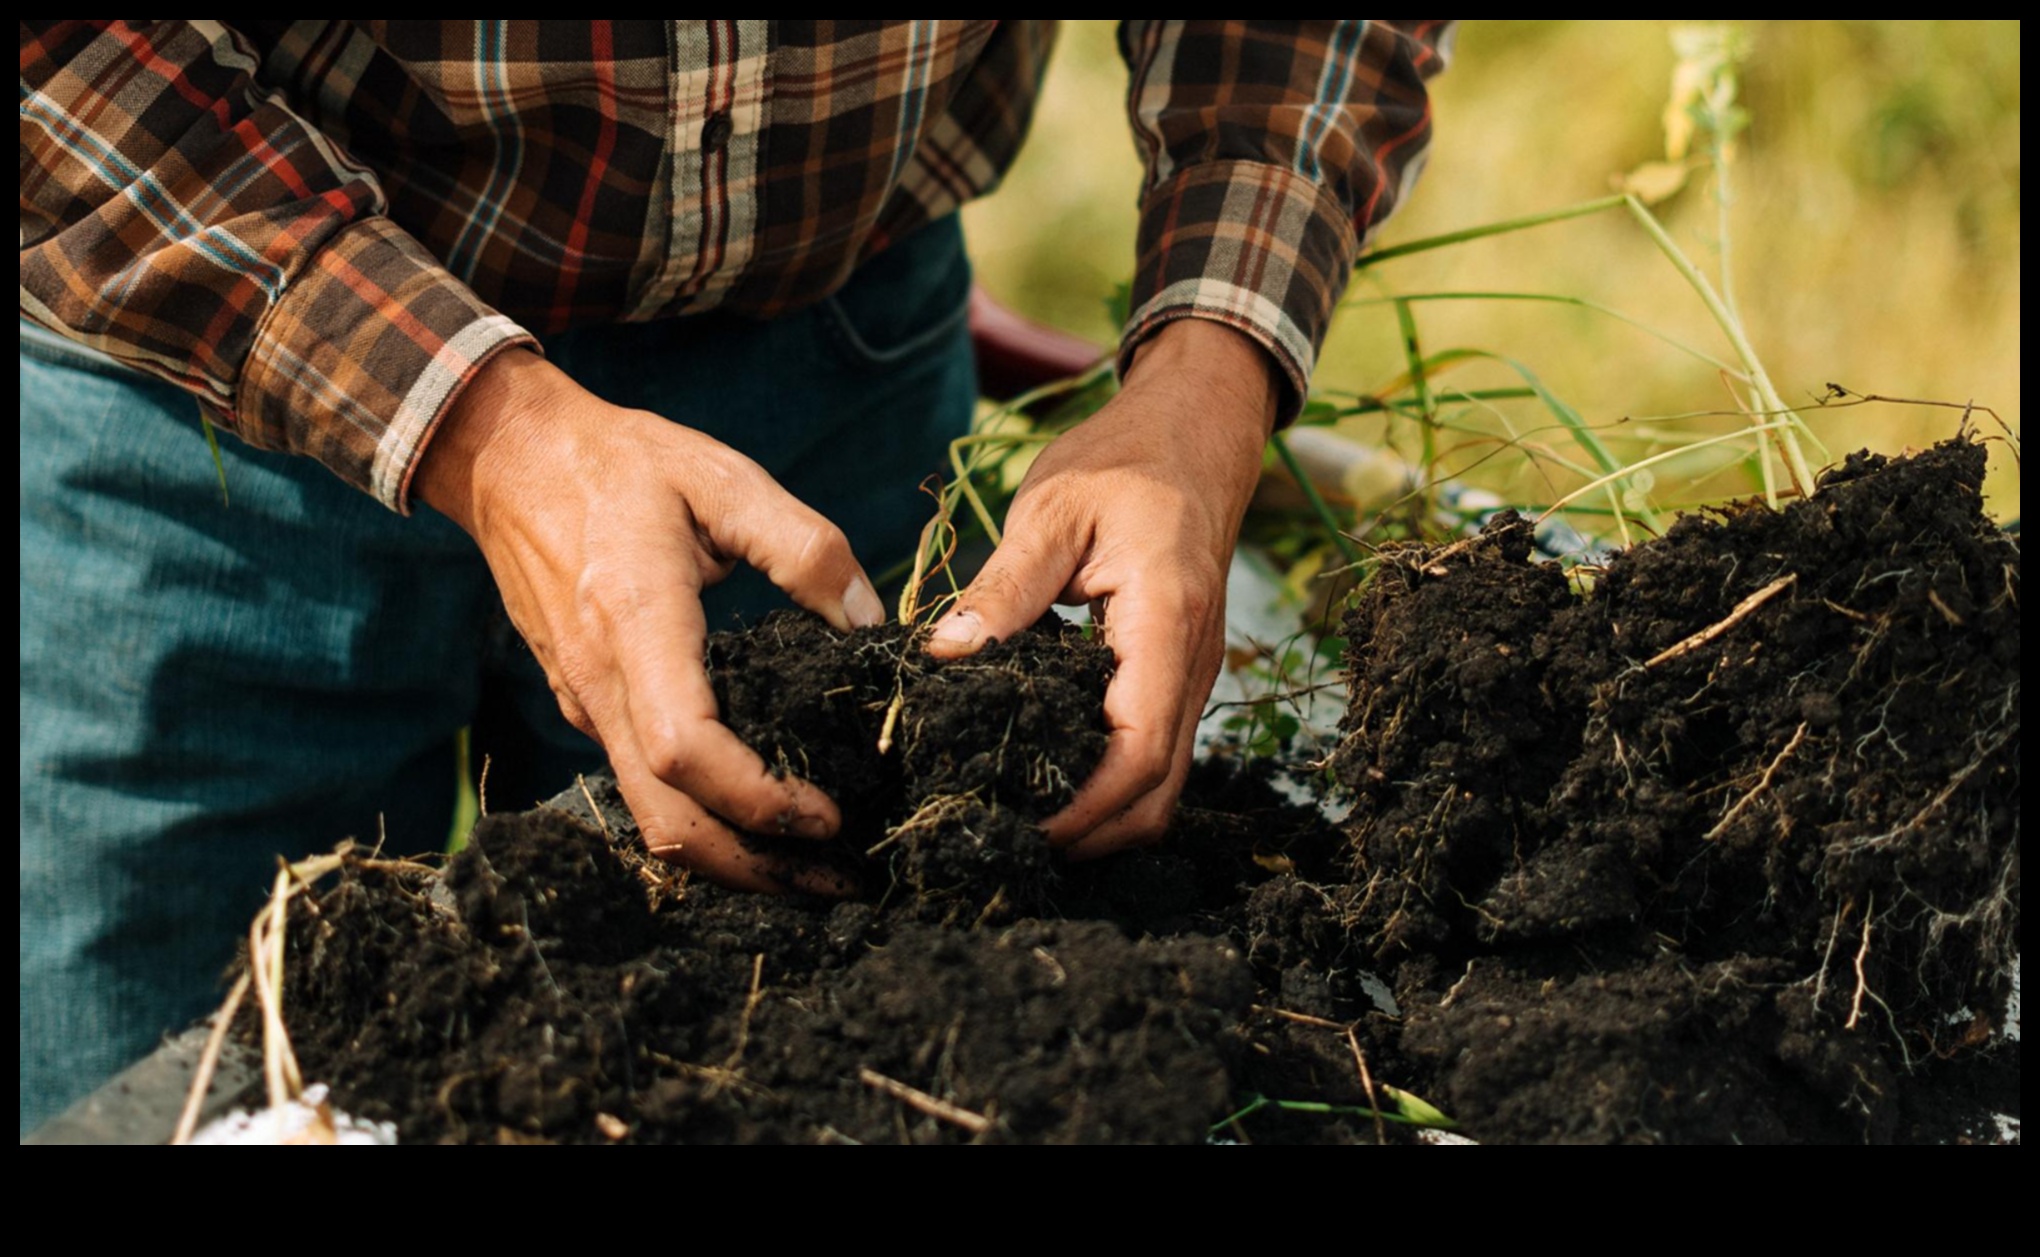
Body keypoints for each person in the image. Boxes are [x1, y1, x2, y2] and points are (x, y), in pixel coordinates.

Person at [19, 20, 1450, 1131]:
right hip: (205, 392)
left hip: (826, 370)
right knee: (179, 1088)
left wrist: (1210, 372)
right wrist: (482, 421)